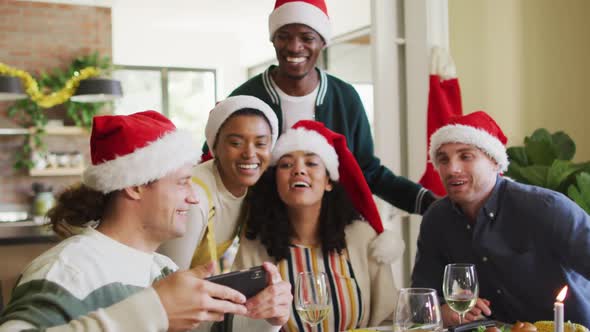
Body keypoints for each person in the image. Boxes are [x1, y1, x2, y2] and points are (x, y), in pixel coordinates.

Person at [0, 111, 288, 332]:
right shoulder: (68, 269)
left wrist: (264, 316)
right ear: (135, 185)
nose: (192, 197)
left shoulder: (162, 269)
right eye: (183, 183)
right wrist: (153, 310)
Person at [202, 0, 436, 215]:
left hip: (335, 230)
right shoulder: (247, 97)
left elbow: (368, 172)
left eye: (307, 37)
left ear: (323, 41)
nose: (294, 47)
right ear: (273, 39)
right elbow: (212, 160)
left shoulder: (345, 98)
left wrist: (431, 204)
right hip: (264, 231)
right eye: (284, 36)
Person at [411, 111, 590, 327]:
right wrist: (443, 311)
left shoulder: (546, 208)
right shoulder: (436, 219)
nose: (452, 169)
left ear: (495, 162)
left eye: (465, 156)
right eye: (443, 159)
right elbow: (421, 304)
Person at [234, 120, 403, 331]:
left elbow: (389, 319)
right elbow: (238, 322)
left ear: (329, 181)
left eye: (311, 163)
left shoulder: (362, 237)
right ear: (275, 181)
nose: (298, 170)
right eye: (286, 164)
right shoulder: (254, 246)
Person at [159, 95, 279, 271]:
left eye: (261, 143)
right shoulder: (194, 198)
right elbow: (169, 279)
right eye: (236, 143)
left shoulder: (253, 191)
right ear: (214, 146)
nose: (249, 153)